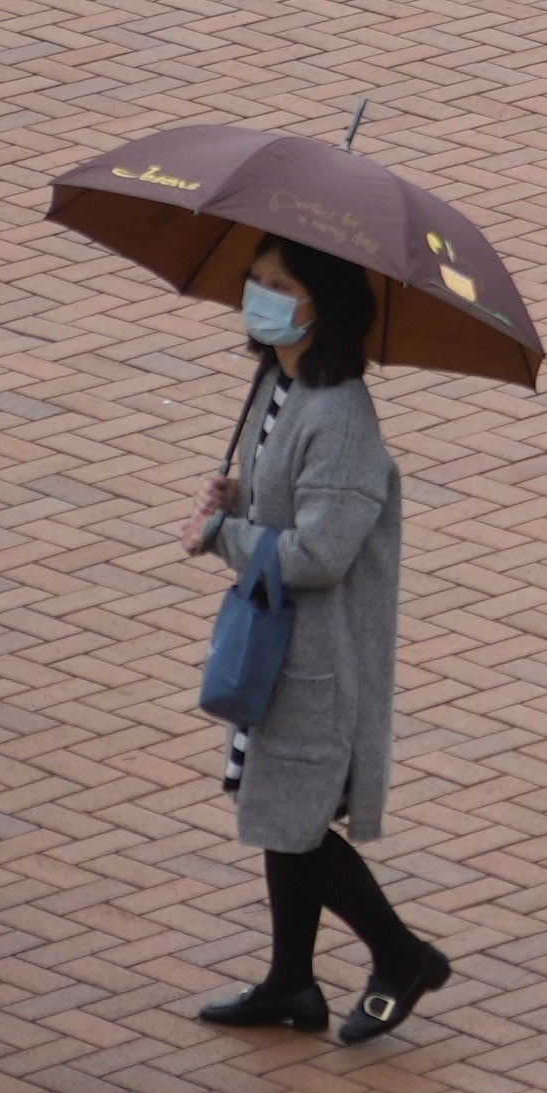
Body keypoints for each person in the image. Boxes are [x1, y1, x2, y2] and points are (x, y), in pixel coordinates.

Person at [181, 234, 447, 1042]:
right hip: (277, 650)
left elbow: (319, 554)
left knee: (291, 825)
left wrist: (224, 533)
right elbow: (277, 508)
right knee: (278, 809)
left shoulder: (340, 419)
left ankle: (403, 956)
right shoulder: (277, 380)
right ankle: (292, 981)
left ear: (321, 304)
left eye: (278, 284)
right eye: (253, 280)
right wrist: (241, 496)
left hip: (317, 660)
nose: (258, 296)